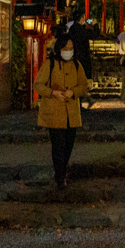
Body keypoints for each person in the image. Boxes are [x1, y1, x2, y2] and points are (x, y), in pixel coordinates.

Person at [33, 34, 88, 190]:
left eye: (70, 49)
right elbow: (38, 84)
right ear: (59, 49)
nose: (68, 51)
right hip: (54, 111)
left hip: (71, 112)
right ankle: (60, 176)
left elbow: (83, 85)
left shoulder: (77, 65)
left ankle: (62, 172)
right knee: (58, 145)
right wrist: (52, 93)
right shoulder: (49, 64)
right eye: (65, 49)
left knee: (68, 145)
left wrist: (74, 92)